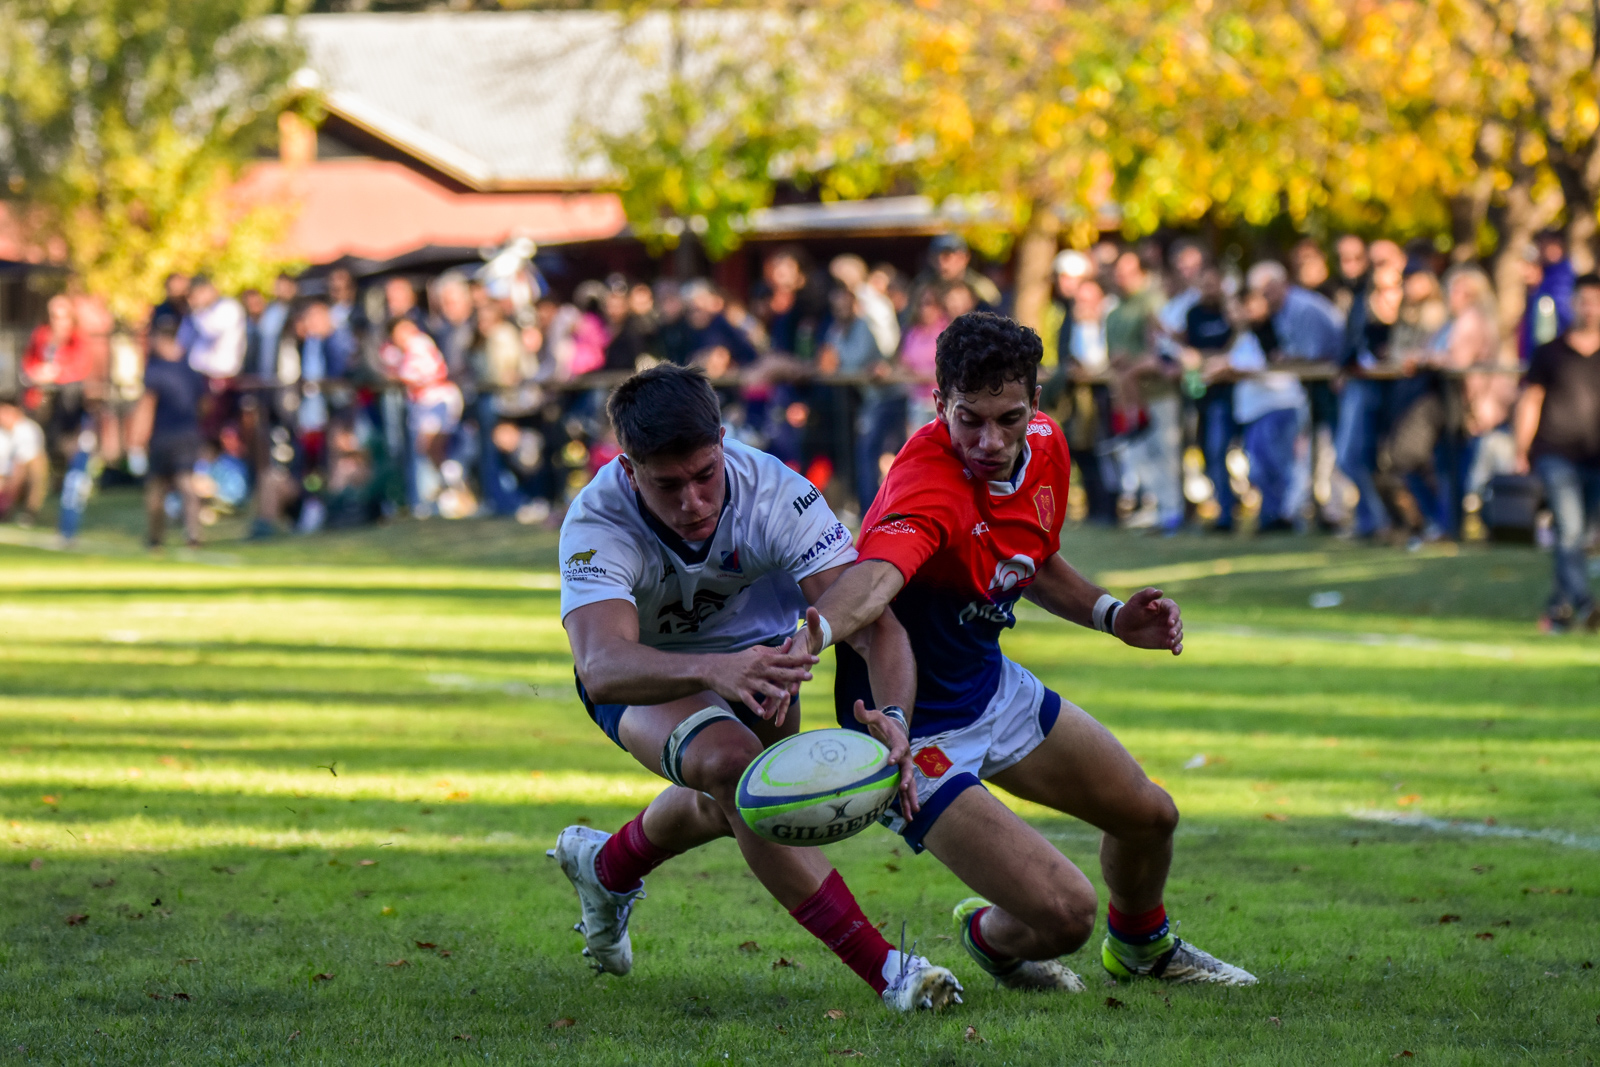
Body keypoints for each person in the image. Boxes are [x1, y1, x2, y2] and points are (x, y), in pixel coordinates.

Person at [807, 312, 1255, 995]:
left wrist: (1110, 614)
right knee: (1067, 916)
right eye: (969, 420)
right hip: (910, 728)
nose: (990, 441)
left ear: (1036, 406)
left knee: (1149, 816)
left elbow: (1027, 559)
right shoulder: (926, 485)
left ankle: (1142, 945)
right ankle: (988, 934)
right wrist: (807, 635)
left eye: (1008, 418)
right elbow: (874, 583)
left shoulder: (1044, 445)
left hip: (989, 687)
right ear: (939, 406)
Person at [550, 364, 961, 1011]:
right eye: (667, 485)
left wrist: (894, 717)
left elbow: (874, 626)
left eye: (704, 475)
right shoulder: (598, 517)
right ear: (629, 471)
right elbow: (602, 664)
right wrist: (718, 670)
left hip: (764, 667)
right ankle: (891, 971)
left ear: (722, 439)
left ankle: (608, 869)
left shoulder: (775, 490)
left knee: (741, 801)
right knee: (733, 768)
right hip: (645, 677)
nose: (692, 501)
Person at [1513, 273, 1600, 633]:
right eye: (1584, 300)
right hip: (1555, 452)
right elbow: (1530, 400)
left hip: (1596, 457)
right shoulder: (1550, 351)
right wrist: (1521, 449)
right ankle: (1584, 602)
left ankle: (1558, 609)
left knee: (1580, 538)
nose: (1590, 308)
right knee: (1568, 530)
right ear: (1573, 303)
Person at [1108, 250, 1182, 532]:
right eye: (1118, 273)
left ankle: (1173, 514)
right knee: (1141, 456)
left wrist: (1134, 364)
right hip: (1130, 396)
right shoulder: (1114, 312)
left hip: (1159, 392)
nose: (1122, 278)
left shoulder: (1153, 303)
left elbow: (1164, 351)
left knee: (1166, 453)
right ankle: (1159, 510)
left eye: (1128, 272)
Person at [129, 320, 208, 548]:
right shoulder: (191, 372)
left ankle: (155, 537)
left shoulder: (155, 371)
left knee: (156, 487)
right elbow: (204, 406)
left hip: (163, 435)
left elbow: (146, 408)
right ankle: (193, 533)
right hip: (189, 433)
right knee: (186, 483)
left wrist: (137, 442)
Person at [1183, 265, 1238, 531]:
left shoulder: (1230, 312)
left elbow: (1240, 341)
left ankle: (1226, 512)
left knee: (1219, 449)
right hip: (1204, 393)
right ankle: (1225, 504)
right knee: (1206, 450)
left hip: (1231, 393)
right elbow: (1190, 350)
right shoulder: (1194, 314)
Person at [910, 234, 1002, 316]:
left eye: (947, 256)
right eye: (935, 256)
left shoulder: (982, 288)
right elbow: (907, 320)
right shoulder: (922, 286)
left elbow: (996, 320)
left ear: (964, 257)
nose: (941, 262)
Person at [0, 396, 48, 526]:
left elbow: (21, 466)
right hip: (7, 478)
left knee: (37, 465)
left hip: (21, 477)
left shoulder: (28, 430)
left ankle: (30, 511)